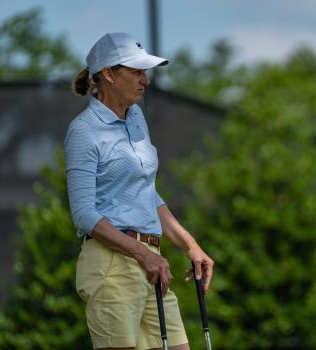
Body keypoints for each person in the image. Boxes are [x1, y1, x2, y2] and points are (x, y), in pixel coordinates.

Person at [64, 32, 214, 350]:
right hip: (111, 267)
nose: (145, 81)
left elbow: (148, 195)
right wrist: (142, 254)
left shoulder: (136, 119)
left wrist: (190, 245)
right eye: (136, 72)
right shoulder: (84, 131)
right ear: (108, 74)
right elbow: (84, 214)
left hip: (150, 265)